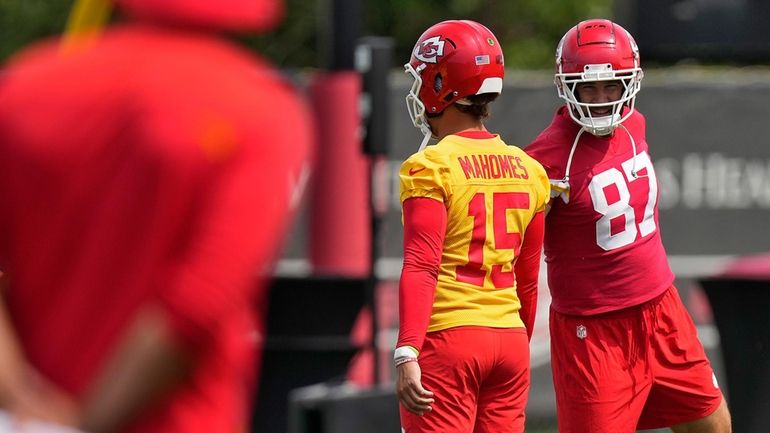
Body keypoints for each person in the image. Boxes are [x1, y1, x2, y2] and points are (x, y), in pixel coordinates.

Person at [0, 0, 313, 432]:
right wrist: (86, 424)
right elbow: (198, 305)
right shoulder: (260, 114)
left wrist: (23, 404)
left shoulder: (24, 89)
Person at [525, 19, 732, 433]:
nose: (601, 99)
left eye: (611, 86)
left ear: (630, 83)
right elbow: (517, 247)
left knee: (713, 426)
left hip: (662, 311)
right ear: (567, 85)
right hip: (594, 332)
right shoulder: (546, 158)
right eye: (588, 87)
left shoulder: (634, 123)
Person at [394, 20, 550, 433]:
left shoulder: (430, 166)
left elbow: (422, 264)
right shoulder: (529, 169)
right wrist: (515, 338)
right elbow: (528, 280)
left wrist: (407, 350)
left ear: (440, 83)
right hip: (510, 341)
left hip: (450, 340)